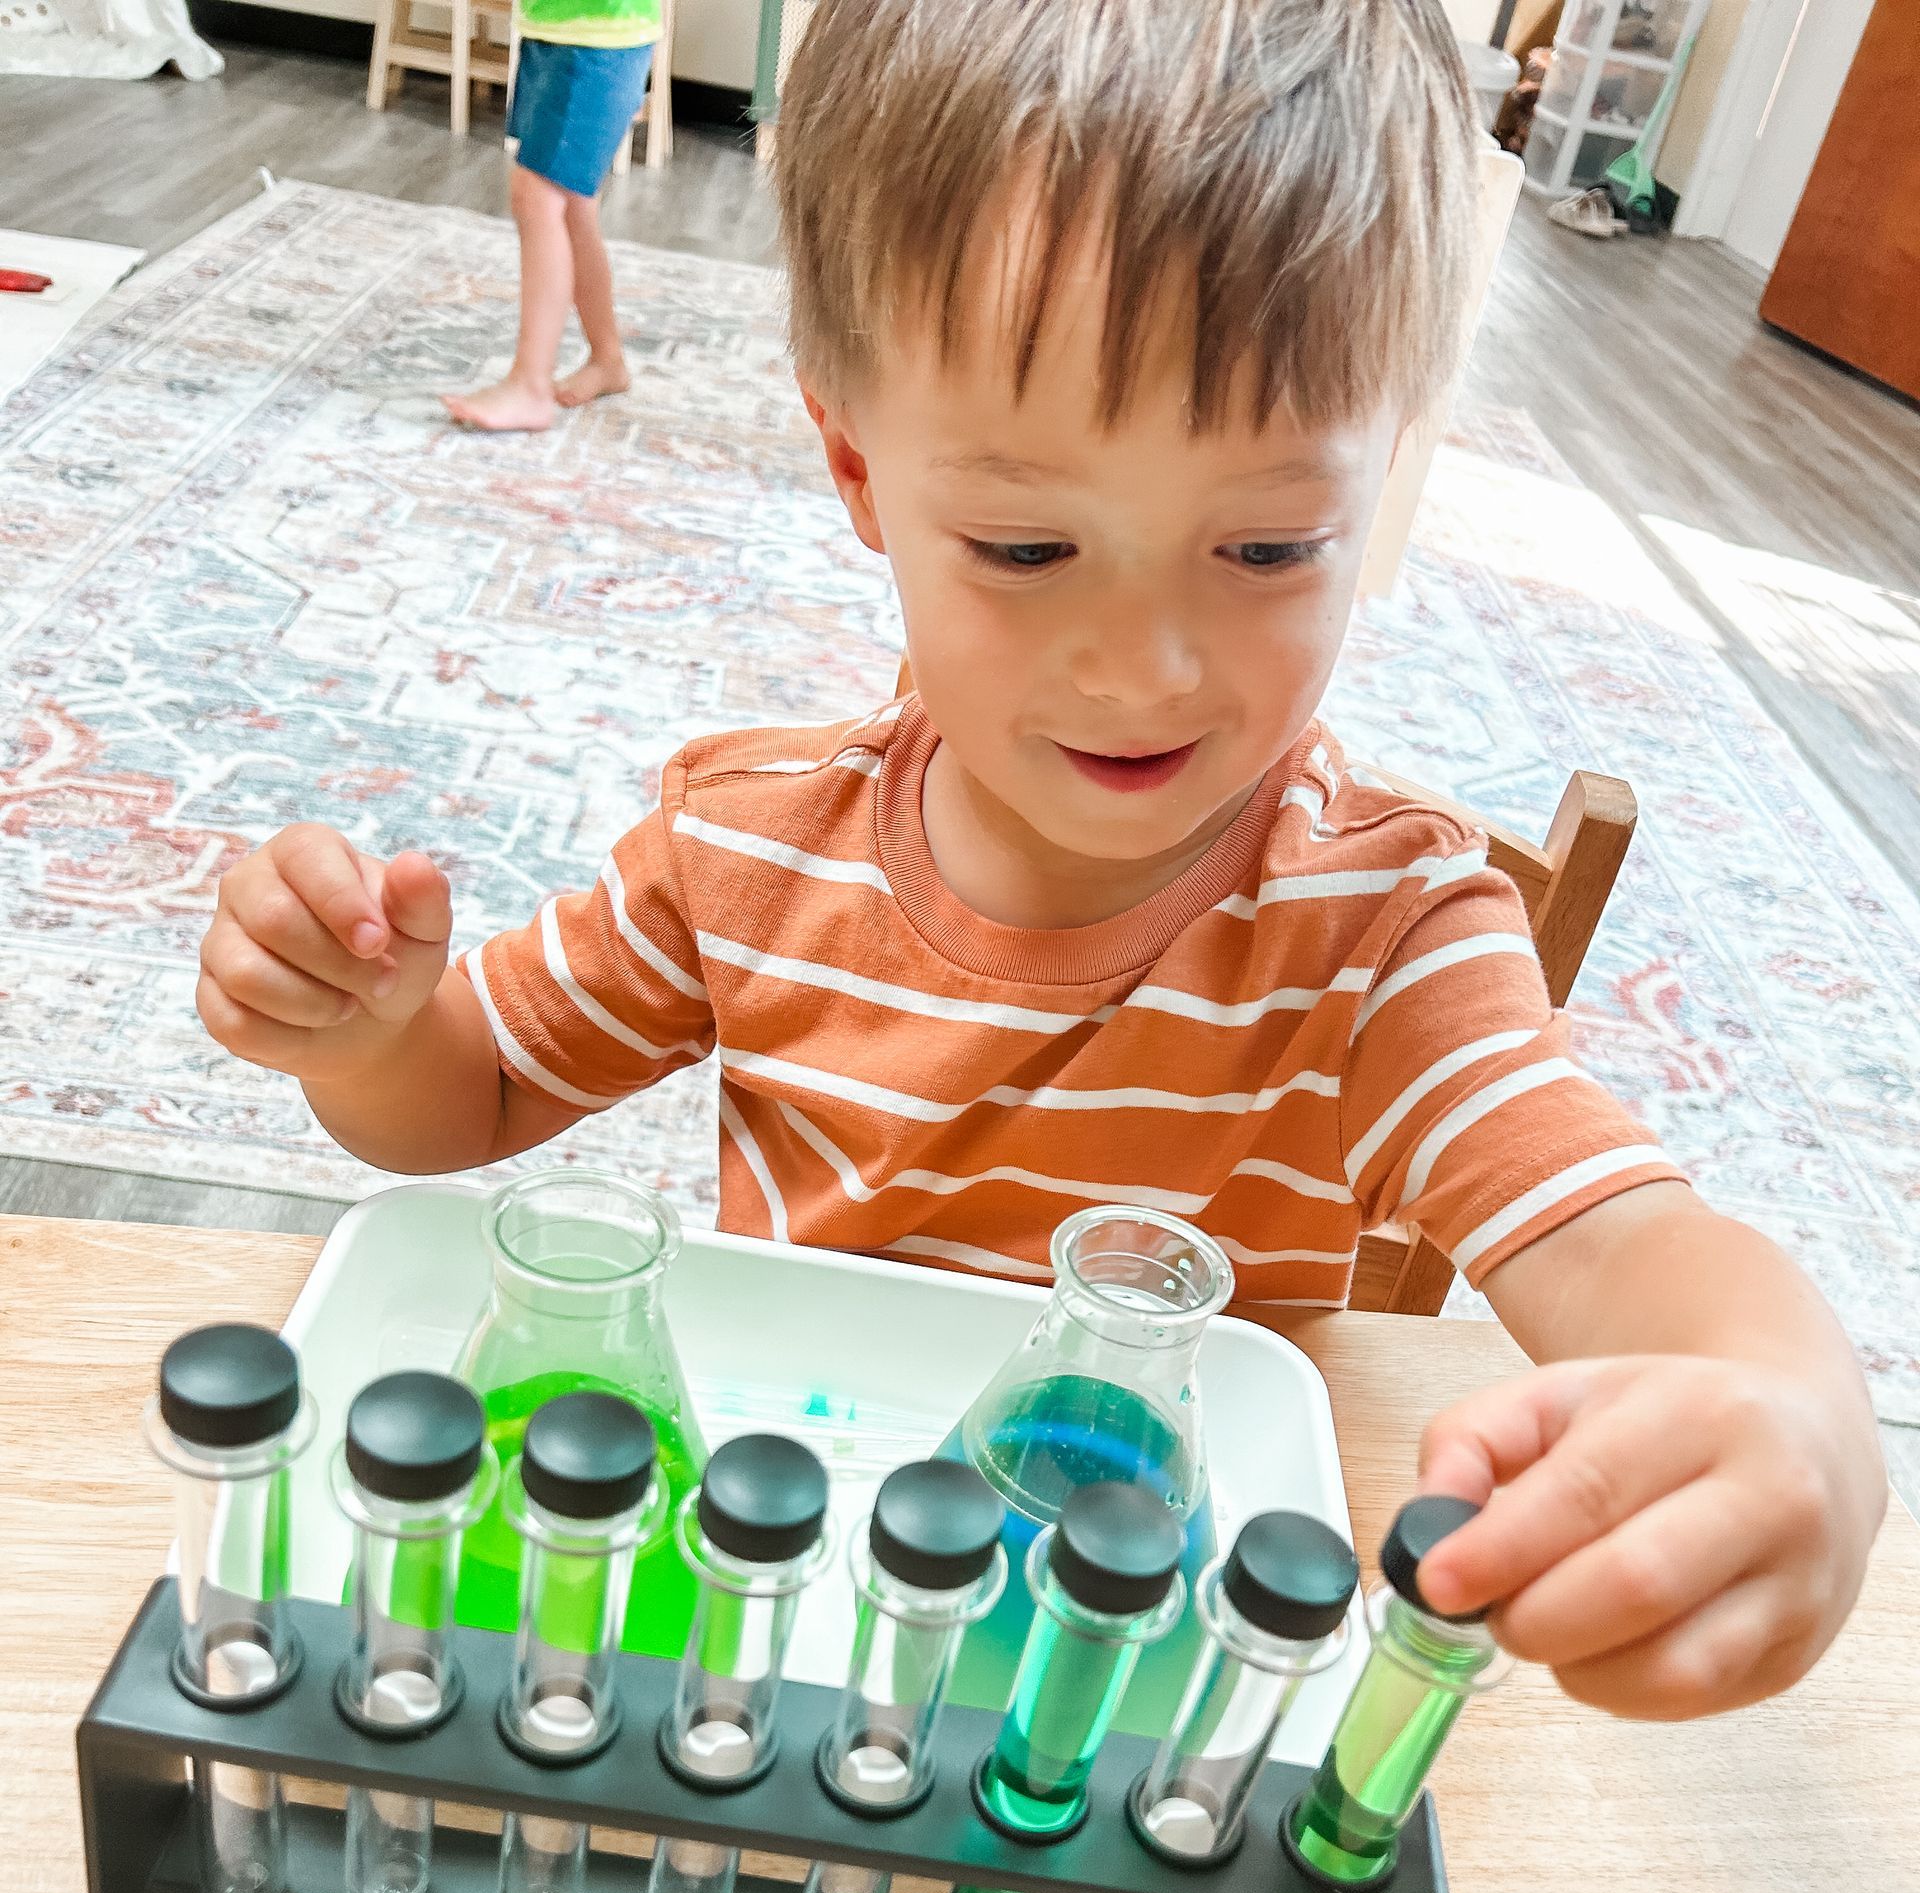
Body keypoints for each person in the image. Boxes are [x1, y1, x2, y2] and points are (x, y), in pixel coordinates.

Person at [198, 0, 1885, 1716]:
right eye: (1025, 541)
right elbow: (460, 1107)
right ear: (856, 462)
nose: (1146, 666)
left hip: (1113, 1679)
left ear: (1382, 487)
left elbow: (1622, 1249)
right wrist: (364, 1033)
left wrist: (1796, 1422)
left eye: (1267, 543)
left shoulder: (1386, 934)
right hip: (764, 1634)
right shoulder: (744, 843)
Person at [444, 0, 660, 430]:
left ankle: (530, 385)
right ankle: (607, 359)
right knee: (571, 208)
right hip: (559, 35)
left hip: (596, 45)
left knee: (537, 196)